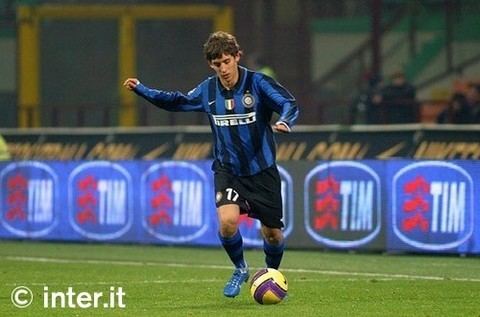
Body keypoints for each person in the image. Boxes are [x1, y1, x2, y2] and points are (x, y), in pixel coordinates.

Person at [124, 31, 299, 298]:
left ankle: (271, 274)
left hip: (262, 170)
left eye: (227, 61)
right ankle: (240, 268)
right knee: (228, 223)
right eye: (217, 64)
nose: (223, 69)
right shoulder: (208, 90)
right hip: (228, 170)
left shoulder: (258, 83)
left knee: (273, 234)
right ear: (211, 65)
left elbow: (287, 102)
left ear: (237, 57)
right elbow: (178, 101)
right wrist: (142, 90)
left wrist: (286, 120)